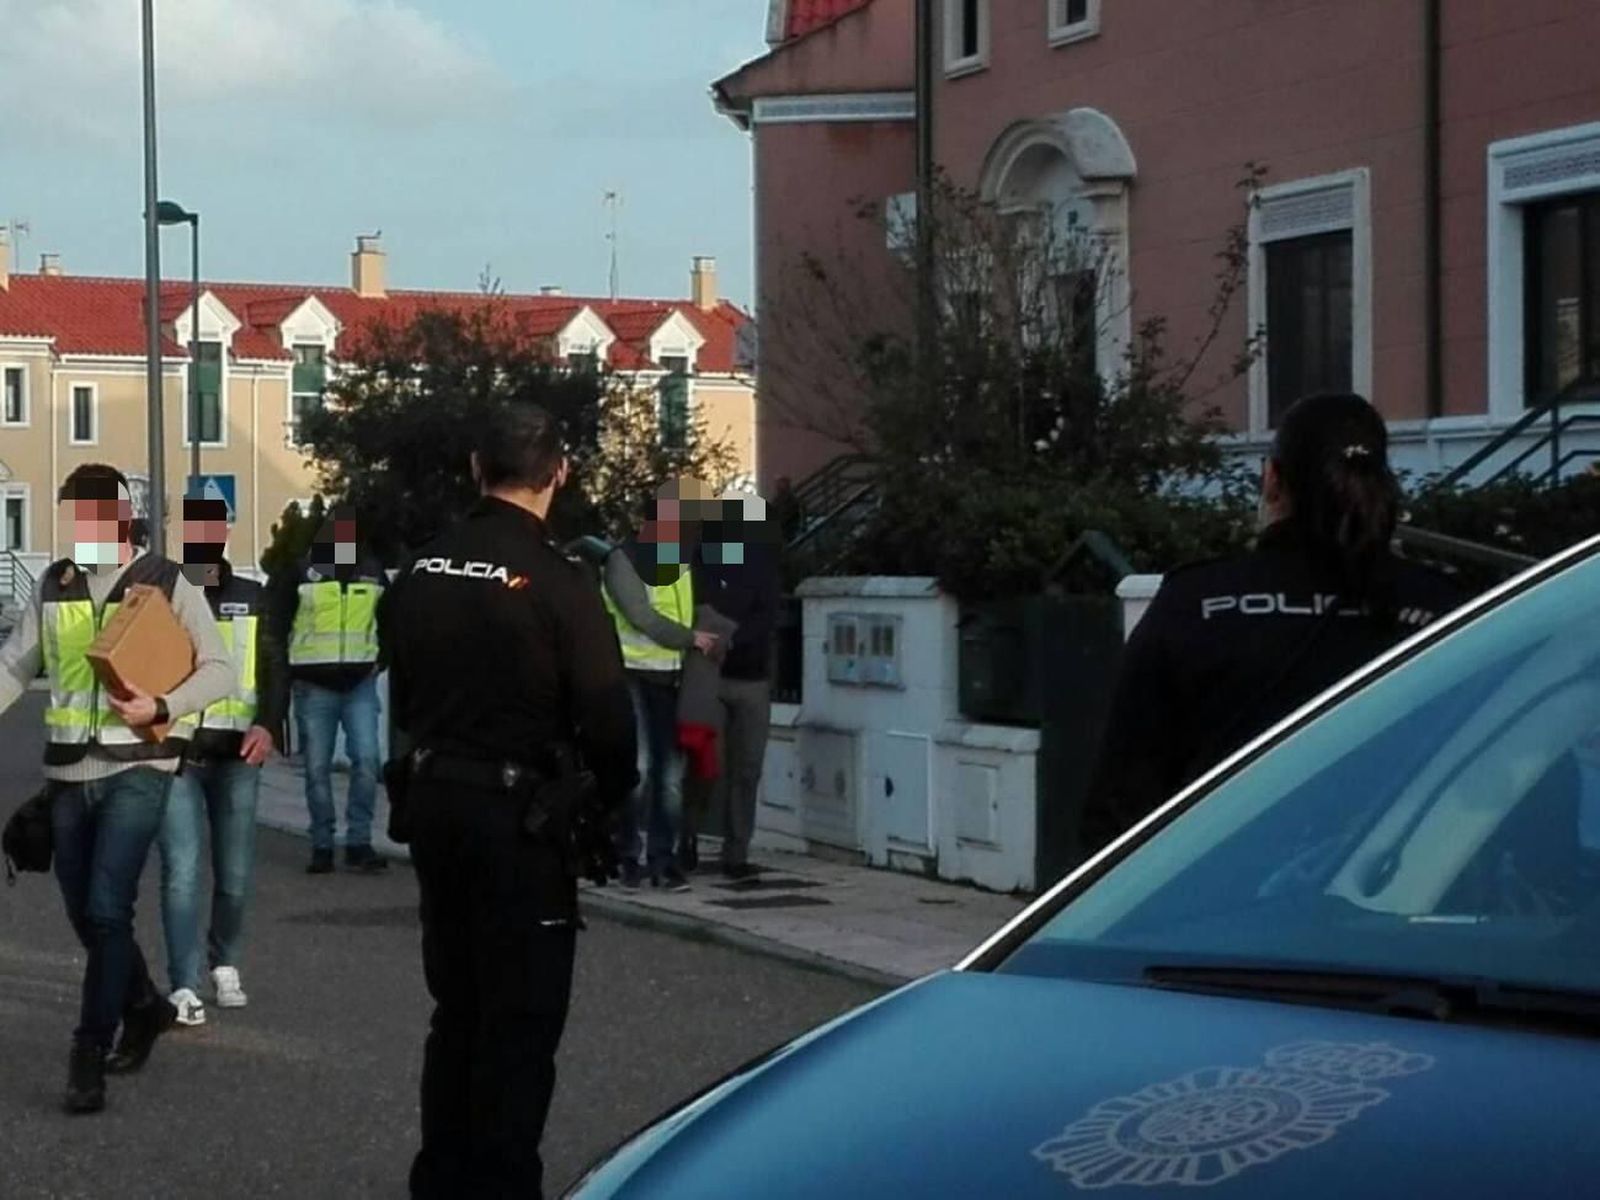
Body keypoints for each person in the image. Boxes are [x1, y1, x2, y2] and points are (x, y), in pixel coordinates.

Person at [379, 402, 637, 1198]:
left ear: (475, 469)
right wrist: (605, 799)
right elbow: (608, 718)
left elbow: (404, 693)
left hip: (436, 807)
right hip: (521, 822)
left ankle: (441, 1182)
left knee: (456, 1011)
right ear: (559, 472)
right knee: (519, 1028)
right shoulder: (560, 580)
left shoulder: (421, 569)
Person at [1082, 392, 1469, 856]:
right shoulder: (1446, 611)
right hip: (1401, 883)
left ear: (1272, 482)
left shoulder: (1197, 603)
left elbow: (1118, 802)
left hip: (1218, 884)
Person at [0, 463, 233, 1114]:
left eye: (95, 519)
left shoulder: (165, 580)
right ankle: (145, 1006)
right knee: (85, 915)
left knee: (107, 910)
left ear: (123, 519)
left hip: (141, 765)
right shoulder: (56, 582)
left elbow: (221, 669)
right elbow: (16, 664)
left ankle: (87, 1056)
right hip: (69, 772)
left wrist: (163, 705)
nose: (83, 532)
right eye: (75, 519)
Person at [156, 496, 288, 1027]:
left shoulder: (253, 597)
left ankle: (225, 963)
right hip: (179, 754)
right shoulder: (164, 596)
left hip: (237, 755)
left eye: (214, 526)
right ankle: (184, 984)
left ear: (226, 532)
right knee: (181, 871)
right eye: (195, 527)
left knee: (234, 874)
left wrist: (269, 724)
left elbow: (275, 668)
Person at [601, 482, 720, 892]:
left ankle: (662, 861)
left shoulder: (678, 560)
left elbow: (695, 606)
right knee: (639, 768)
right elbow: (641, 617)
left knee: (669, 775)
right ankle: (628, 856)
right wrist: (690, 639)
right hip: (630, 673)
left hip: (670, 677)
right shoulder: (623, 560)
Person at [270, 505, 389, 874]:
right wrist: (286, 673)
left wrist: (381, 659)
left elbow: (390, 621)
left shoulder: (372, 573)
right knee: (317, 768)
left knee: (367, 761)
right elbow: (278, 624)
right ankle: (322, 843)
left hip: (359, 683)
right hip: (313, 685)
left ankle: (358, 841)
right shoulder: (301, 573)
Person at [684, 490, 783, 880]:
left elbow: (767, 614)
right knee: (707, 766)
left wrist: (727, 638)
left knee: (747, 769)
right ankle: (688, 838)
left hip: (749, 677)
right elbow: (696, 606)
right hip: (711, 676)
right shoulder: (703, 560)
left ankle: (736, 851)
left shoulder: (761, 563)